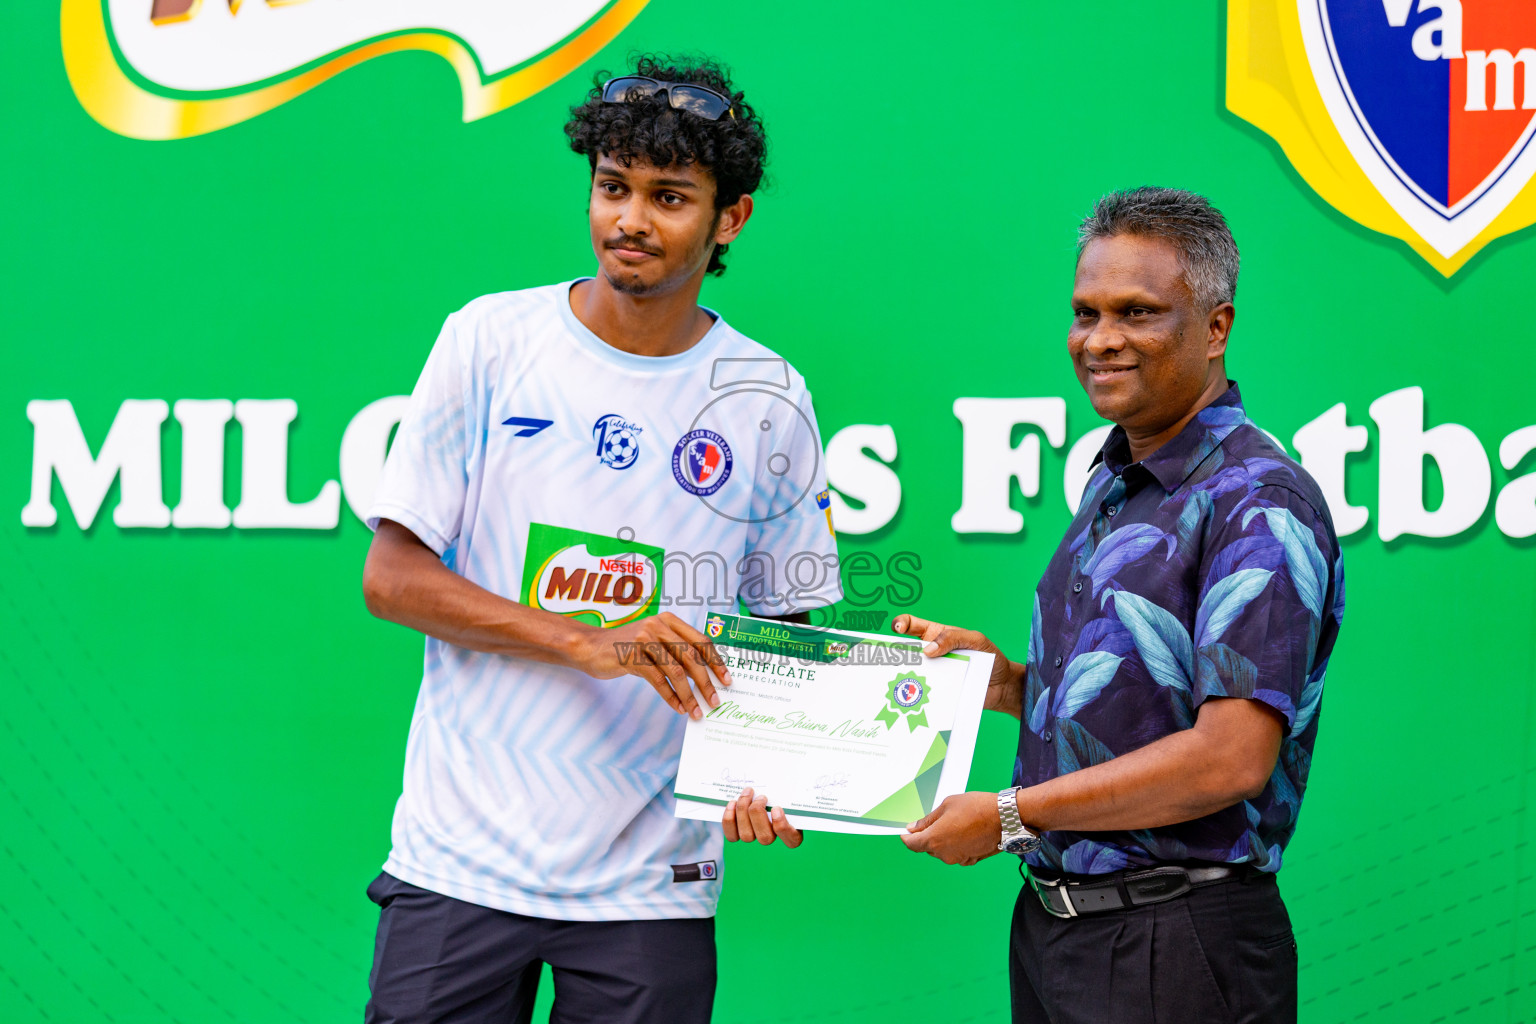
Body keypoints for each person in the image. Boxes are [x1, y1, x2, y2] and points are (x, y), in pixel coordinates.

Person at [729, 187, 1343, 1024]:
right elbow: (1149, 703)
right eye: (1085, 313)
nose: (1101, 340)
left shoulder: (1259, 502)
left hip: (1178, 943)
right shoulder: (1117, 477)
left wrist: (1011, 816)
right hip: (1061, 932)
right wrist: (1007, 683)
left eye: (1137, 312)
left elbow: (1228, 757)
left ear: (1216, 328)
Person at [358, 55, 840, 1024]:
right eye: (613, 187)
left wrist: (777, 772)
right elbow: (393, 579)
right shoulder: (488, 341)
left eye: (668, 197)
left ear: (729, 217)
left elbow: (789, 631)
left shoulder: (768, 394)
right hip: (460, 859)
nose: (630, 219)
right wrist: (586, 641)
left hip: (649, 883)